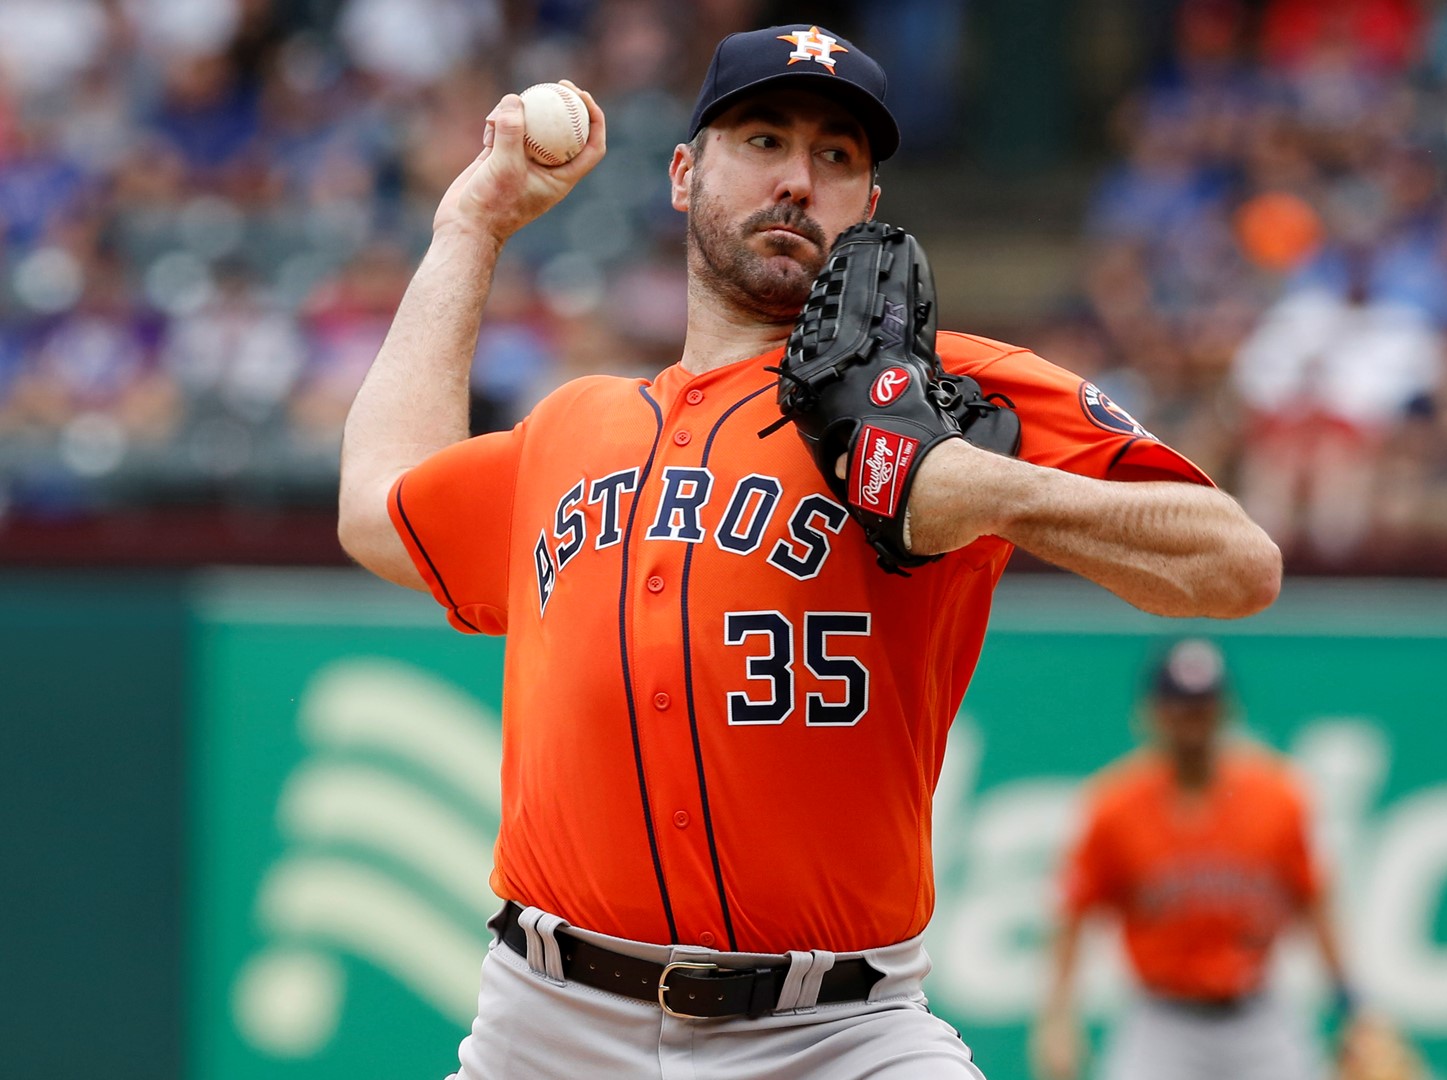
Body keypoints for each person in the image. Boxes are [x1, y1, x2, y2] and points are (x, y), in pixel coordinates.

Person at [333, 22, 1283, 1080]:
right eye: (765, 140)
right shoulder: (575, 426)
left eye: (837, 157)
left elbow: (1236, 563)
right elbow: (377, 513)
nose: (799, 179)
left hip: (835, 1033)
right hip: (546, 1026)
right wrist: (473, 221)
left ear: (870, 208)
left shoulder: (940, 392)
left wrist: (967, 485)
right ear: (686, 175)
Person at [1032, 638, 1363, 1080]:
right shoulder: (1113, 807)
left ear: (1227, 710)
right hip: (1162, 1020)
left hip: (1258, 1016)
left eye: (1202, 706)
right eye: (1179, 706)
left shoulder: (1278, 797)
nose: (1191, 722)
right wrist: (1057, 1018)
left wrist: (1353, 1008)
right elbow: (1073, 914)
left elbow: (1314, 901)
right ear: (1150, 712)